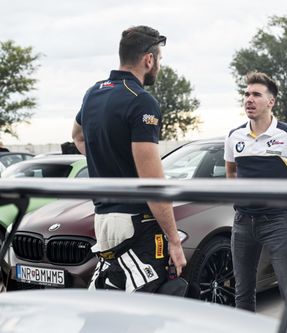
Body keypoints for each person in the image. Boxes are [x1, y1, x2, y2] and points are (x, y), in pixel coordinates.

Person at [72, 25, 186, 293]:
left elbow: (77, 137)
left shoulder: (93, 93)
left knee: (113, 303)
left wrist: (108, 153)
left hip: (103, 220)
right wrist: (174, 241)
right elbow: (153, 182)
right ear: (149, 60)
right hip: (136, 221)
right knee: (145, 307)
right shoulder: (142, 101)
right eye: (159, 59)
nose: (158, 66)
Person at [224, 72, 287, 311]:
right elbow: (231, 172)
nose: (249, 99)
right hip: (242, 223)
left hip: (277, 223)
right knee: (242, 294)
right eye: (246, 94)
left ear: (271, 101)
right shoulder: (234, 136)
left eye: (256, 94)